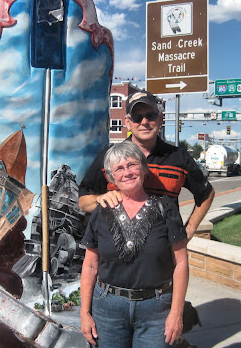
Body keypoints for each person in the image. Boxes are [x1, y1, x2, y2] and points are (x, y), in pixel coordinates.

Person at [80, 141, 188, 347]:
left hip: (156, 309)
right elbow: (90, 265)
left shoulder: (166, 208)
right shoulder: (102, 210)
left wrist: (176, 313)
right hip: (108, 308)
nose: (127, 172)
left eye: (132, 165)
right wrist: (84, 313)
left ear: (143, 169)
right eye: (119, 168)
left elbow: (181, 263)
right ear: (112, 177)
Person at [79, 89, 215, 241]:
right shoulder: (109, 156)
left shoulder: (179, 158)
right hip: (115, 253)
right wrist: (101, 199)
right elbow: (83, 202)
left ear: (161, 119)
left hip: (164, 253)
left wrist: (189, 229)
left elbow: (206, 194)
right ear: (127, 123)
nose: (144, 122)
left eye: (150, 116)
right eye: (137, 117)